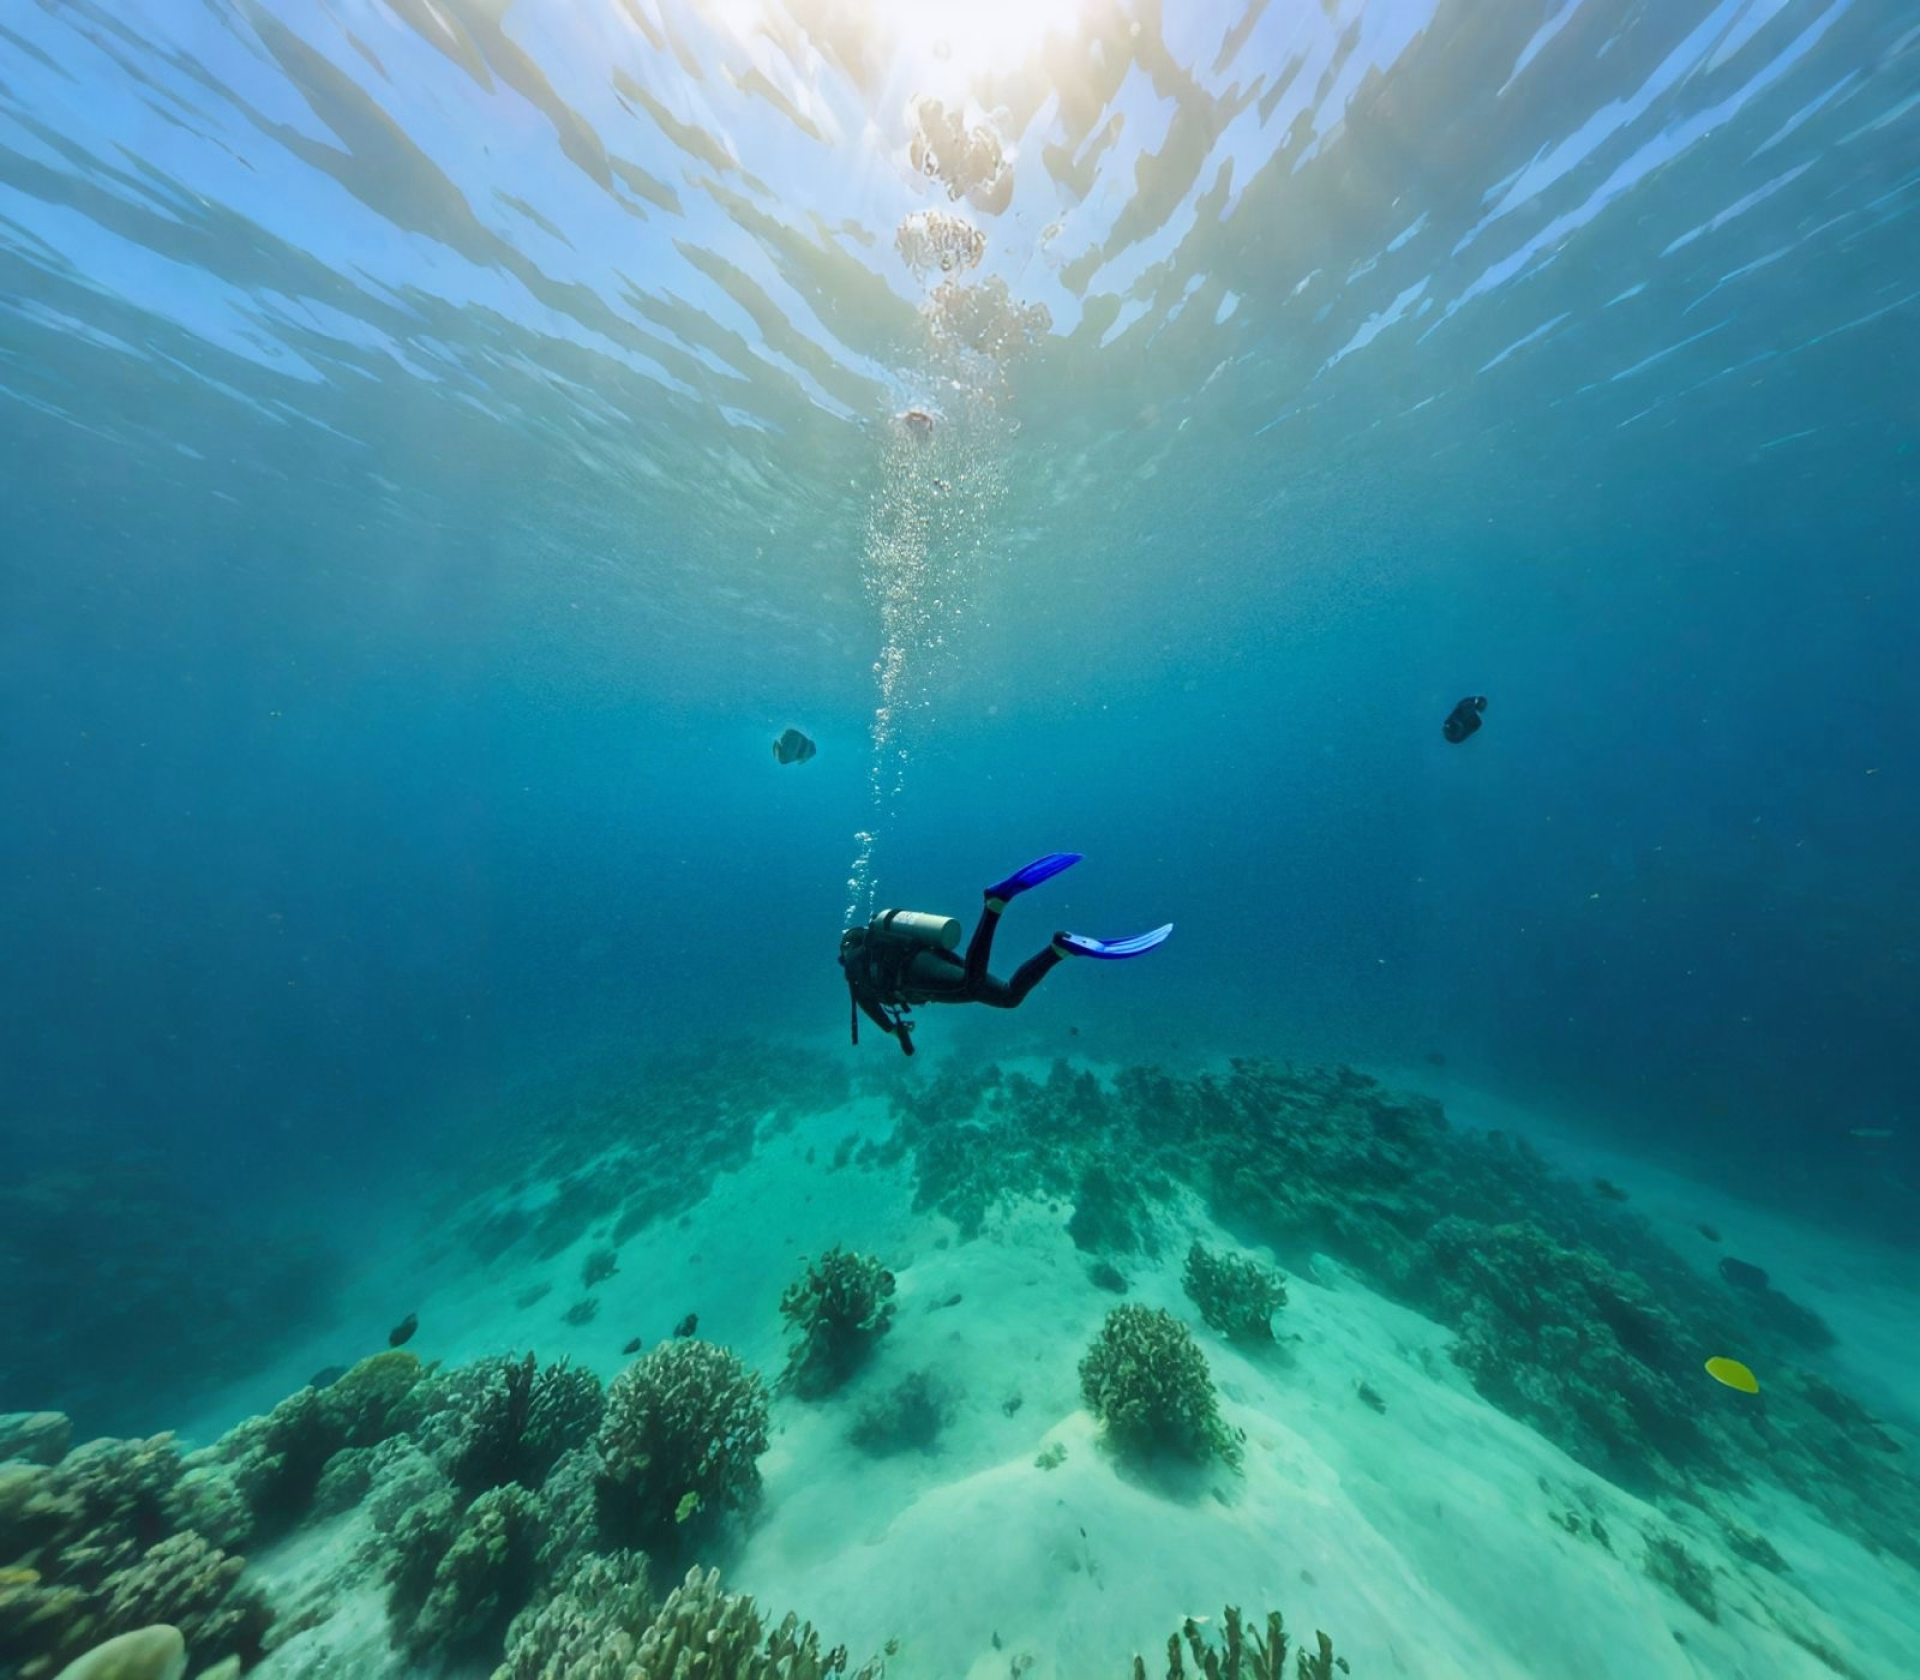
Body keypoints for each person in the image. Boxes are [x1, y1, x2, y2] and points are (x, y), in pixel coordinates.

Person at [839, 853, 1171, 1056]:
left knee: (971, 985)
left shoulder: (853, 967)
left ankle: (994, 904)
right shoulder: (876, 945)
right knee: (1008, 997)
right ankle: (1060, 948)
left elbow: (869, 1007)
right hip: (928, 957)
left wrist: (894, 1031)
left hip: (914, 974)